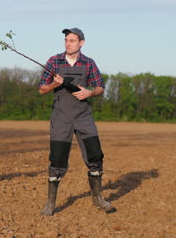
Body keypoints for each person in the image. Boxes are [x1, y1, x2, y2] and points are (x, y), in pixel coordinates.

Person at [38, 28, 115, 215]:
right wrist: (54, 85)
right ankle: (50, 203)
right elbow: (42, 89)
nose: (67, 43)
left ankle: (98, 198)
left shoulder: (89, 63)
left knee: (95, 155)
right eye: (66, 40)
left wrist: (90, 92)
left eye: (72, 40)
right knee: (57, 158)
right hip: (61, 117)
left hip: (83, 116)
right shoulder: (54, 61)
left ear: (81, 43)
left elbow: (100, 87)